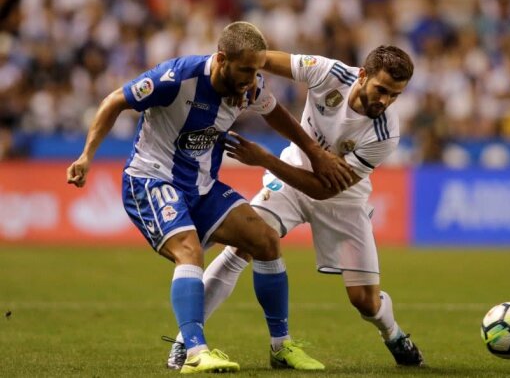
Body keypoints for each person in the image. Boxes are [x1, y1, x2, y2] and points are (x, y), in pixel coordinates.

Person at [66, 21, 352, 374]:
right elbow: (114, 102)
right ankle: (194, 352)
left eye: (257, 69)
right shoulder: (174, 78)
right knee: (189, 250)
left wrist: (314, 150)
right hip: (152, 179)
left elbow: (276, 113)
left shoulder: (249, 86)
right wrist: (86, 156)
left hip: (202, 185)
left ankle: (281, 347)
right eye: (246, 69)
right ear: (221, 59)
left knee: (264, 240)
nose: (253, 78)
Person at [166, 45, 424, 370]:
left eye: (395, 96)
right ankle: (185, 343)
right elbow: (261, 58)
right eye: (382, 90)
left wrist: (265, 160)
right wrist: (231, 75)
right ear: (362, 75)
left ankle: (394, 334)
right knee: (240, 248)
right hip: (288, 182)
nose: (385, 101)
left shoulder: (385, 134)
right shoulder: (328, 72)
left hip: (342, 200)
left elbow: (323, 189)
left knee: (365, 302)